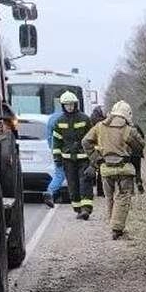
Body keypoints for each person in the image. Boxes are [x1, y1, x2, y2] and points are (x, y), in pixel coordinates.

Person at [82, 101, 145, 240]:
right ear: (128, 114)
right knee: (123, 196)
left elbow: (85, 142)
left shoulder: (99, 126)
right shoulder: (128, 129)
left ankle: (113, 226)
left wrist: (97, 159)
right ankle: (116, 229)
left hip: (105, 169)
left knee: (110, 198)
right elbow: (140, 146)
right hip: (124, 169)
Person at [52, 91, 94, 220]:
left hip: (84, 158)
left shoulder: (84, 119)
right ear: (63, 105)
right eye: (67, 105)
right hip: (68, 159)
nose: (69, 107)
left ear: (75, 104)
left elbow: (92, 138)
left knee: (85, 182)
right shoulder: (59, 121)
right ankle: (78, 209)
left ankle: (86, 209)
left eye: (71, 104)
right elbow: (57, 141)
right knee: (72, 184)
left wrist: (93, 158)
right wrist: (57, 158)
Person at [42, 110, 64, 208]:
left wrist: (52, 147)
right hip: (66, 150)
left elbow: (49, 136)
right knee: (64, 174)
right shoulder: (65, 118)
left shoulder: (52, 118)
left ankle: (53, 193)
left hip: (55, 149)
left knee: (59, 173)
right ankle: (51, 192)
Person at [90, 106, 106, 197]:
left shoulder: (91, 120)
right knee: (101, 170)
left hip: (92, 147)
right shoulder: (103, 121)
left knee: (93, 167)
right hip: (101, 147)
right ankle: (101, 191)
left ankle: (91, 188)